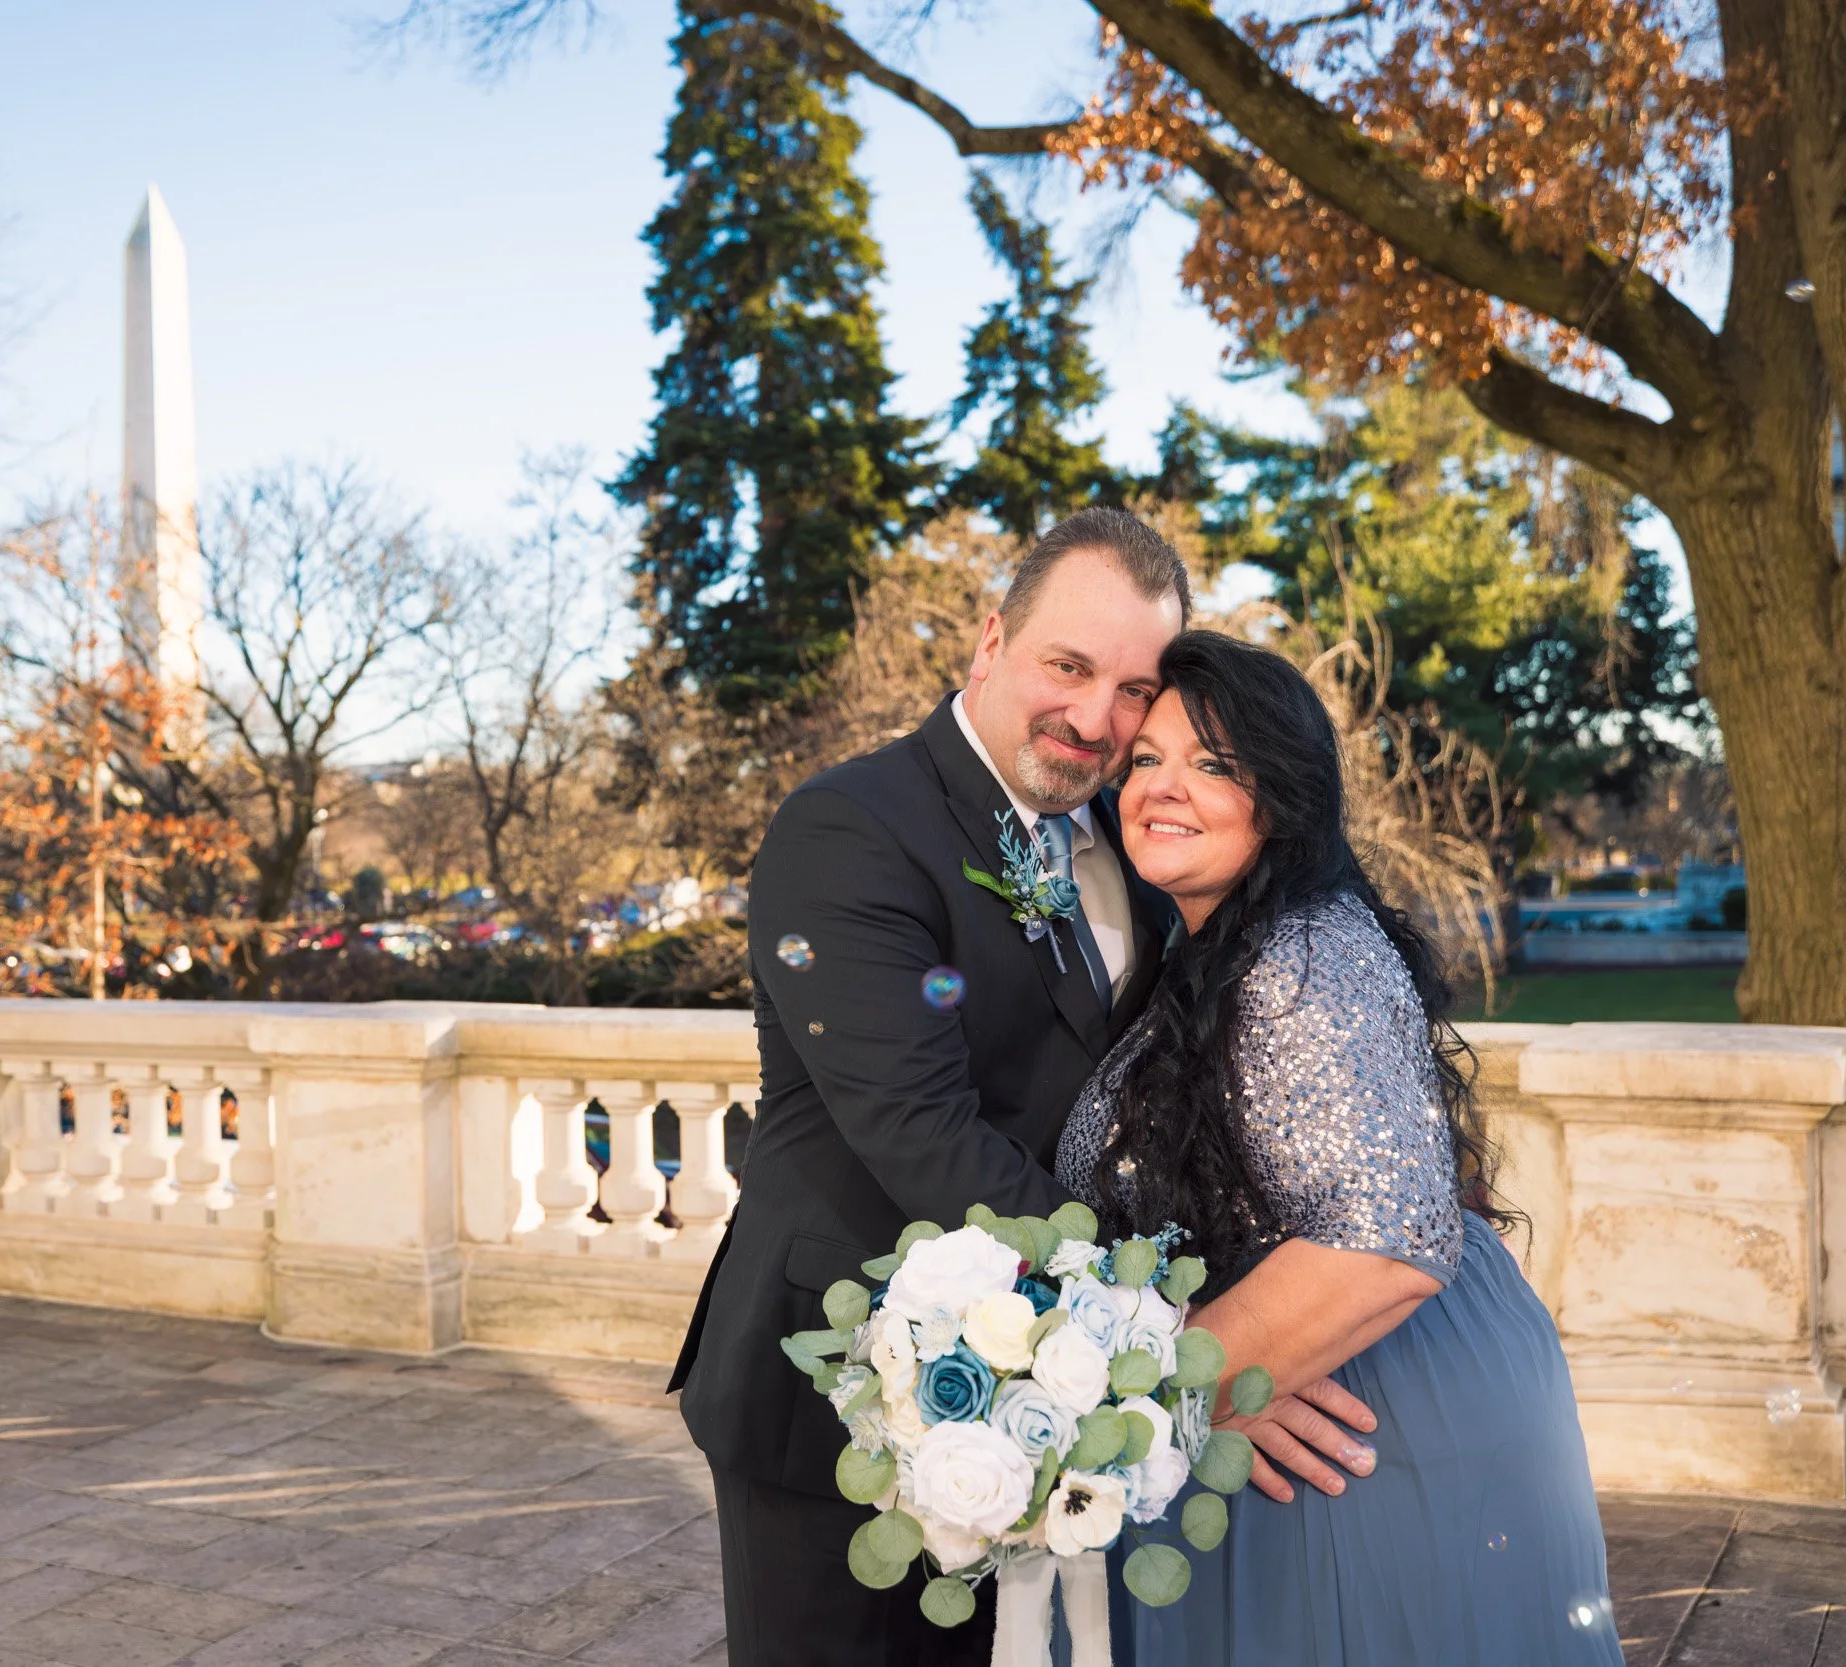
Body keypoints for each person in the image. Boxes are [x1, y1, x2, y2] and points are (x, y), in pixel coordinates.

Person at [671, 511, 1371, 1667]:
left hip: (1058, 1392)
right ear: (990, 642)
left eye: (1135, 687)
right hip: (844, 1389)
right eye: (1068, 665)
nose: (1096, 717)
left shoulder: (1128, 833)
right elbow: (922, 1135)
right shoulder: (848, 828)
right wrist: (1172, 1337)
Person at [1053, 631, 1623, 1667]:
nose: (1162, 787)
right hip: (1274, 1368)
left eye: (1213, 763)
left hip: (1361, 1411)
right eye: (1146, 760)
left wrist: (1174, 1387)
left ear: (1279, 795)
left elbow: (1384, 1241)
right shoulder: (1203, 953)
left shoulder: (1306, 947)